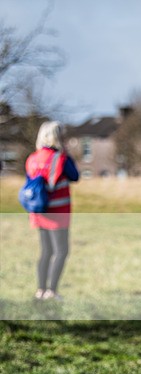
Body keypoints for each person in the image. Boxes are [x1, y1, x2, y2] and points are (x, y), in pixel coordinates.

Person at [27, 121, 80, 301]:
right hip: (58, 213)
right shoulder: (60, 158)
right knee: (62, 251)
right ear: (57, 137)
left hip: (39, 211)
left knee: (46, 251)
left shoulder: (33, 158)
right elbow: (75, 176)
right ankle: (52, 291)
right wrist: (66, 152)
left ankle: (40, 290)